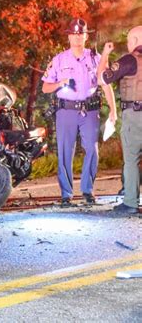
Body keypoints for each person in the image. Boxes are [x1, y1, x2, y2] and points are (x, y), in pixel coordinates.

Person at [42, 18, 117, 207]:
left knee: (92, 149)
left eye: (80, 34)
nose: (77, 38)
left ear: (86, 36)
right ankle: (66, 194)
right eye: (73, 34)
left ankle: (87, 191)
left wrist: (113, 111)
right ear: (68, 36)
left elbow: (105, 84)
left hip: (89, 111)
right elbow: (45, 87)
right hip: (66, 110)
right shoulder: (59, 59)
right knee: (65, 151)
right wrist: (60, 83)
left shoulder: (95, 58)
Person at [97, 25, 142, 214]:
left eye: (130, 40)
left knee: (132, 159)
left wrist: (105, 55)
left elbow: (103, 78)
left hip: (135, 115)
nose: (128, 44)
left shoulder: (130, 60)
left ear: (136, 41)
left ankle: (131, 203)